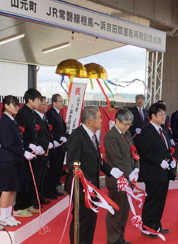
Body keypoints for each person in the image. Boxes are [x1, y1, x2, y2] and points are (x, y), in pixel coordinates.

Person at [65, 106, 123, 244]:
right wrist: (83, 181)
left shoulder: (92, 136)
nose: (101, 121)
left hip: (92, 187)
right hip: (81, 187)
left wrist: (111, 170)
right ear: (90, 121)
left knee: (91, 219)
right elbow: (72, 163)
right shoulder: (77, 136)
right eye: (98, 118)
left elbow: (98, 160)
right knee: (82, 220)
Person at [138, 102, 176, 238]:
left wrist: (170, 161)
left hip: (164, 172)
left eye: (164, 114)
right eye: (161, 114)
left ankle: (156, 225)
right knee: (152, 200)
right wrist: (160, 162)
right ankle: (147, 227)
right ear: (153, 116)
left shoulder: (164, 130)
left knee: (161, 200)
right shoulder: (147, 131)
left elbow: (166, 149)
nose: (164, 117)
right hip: (153, 172)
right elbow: (146, 152)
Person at [0, 96, 35, 226]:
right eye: (14, 105)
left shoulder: (12, 120)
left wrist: (26, 149)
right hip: (8, 159)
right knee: (6, 188)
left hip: (16, 159)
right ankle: (2, 217)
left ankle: (9, 214)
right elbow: (7, 143)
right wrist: (23, 152)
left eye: (17, 105)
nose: (17, 107)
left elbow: (19, 140)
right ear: (6, 106)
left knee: (13, 188)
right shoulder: (4, 121)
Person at [105, 109, 139, 244]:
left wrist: (136, 169)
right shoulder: (111, 136)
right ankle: (113, 240)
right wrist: (129, 173)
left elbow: (134, 152)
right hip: (117, 179)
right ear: (117, 121)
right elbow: (116, 159)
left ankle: (120, 238)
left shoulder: (127, 134)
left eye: (129, 124)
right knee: (116, 210)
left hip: (128, 178)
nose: (127, 127)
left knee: (125, 211)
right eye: (125, 124)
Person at [14, 88, 43, 217]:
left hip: (33, 152)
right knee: (24, 180)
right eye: (37, 100)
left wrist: (36, 146)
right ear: (30, 100)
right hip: (25, 152)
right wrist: (27, 147)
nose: (39, 103)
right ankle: (20, 206)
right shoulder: (22, 113)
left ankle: (29, 203)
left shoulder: (32, 113)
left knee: (32, 179)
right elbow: (20, 135)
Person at [45, 94, 68, 199]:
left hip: (61, 146)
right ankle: (49, 190)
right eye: (59, 101)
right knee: (53, 168)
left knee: (58, 168)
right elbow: (51, 130)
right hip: (55, 145)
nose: (62, 103)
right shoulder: (50, 114)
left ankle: (54, 188)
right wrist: (58, 138)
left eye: (62, 101)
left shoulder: (58, 113)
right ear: (54, 102)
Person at [33, 96, 54, 207]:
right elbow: (36, 135)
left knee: (42, 176)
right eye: (45, 104)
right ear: (39, 105)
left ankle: (40, 197)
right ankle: (35, 200)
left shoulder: (44, 117)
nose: (47, 106)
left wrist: (51, 141)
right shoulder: (34, 117)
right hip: (38, 151)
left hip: (46, 152)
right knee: (36, 177)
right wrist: (45, 144)